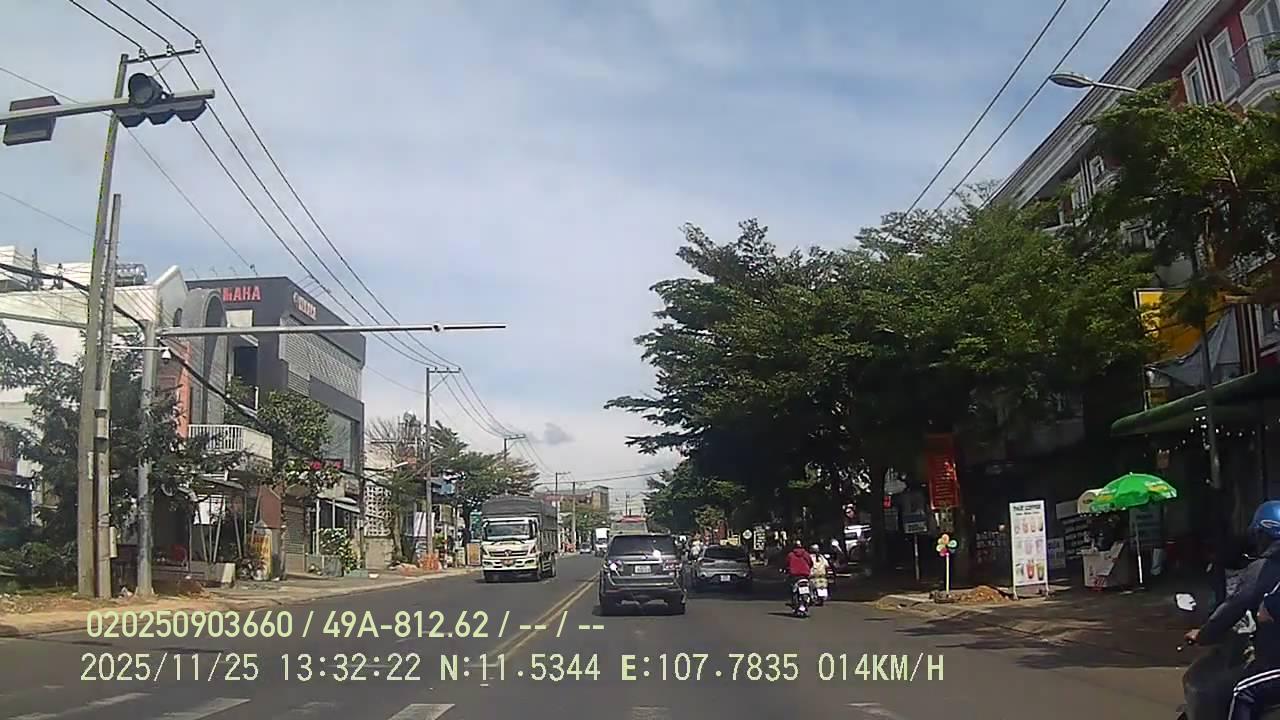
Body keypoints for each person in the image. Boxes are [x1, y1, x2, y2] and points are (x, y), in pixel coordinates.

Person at [1186, 501, 1280, 720]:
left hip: (1275, 662)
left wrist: (1203, 634)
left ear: (1262, 536)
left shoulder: (1263, 569)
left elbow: (1235, 607)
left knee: (1241, 691)